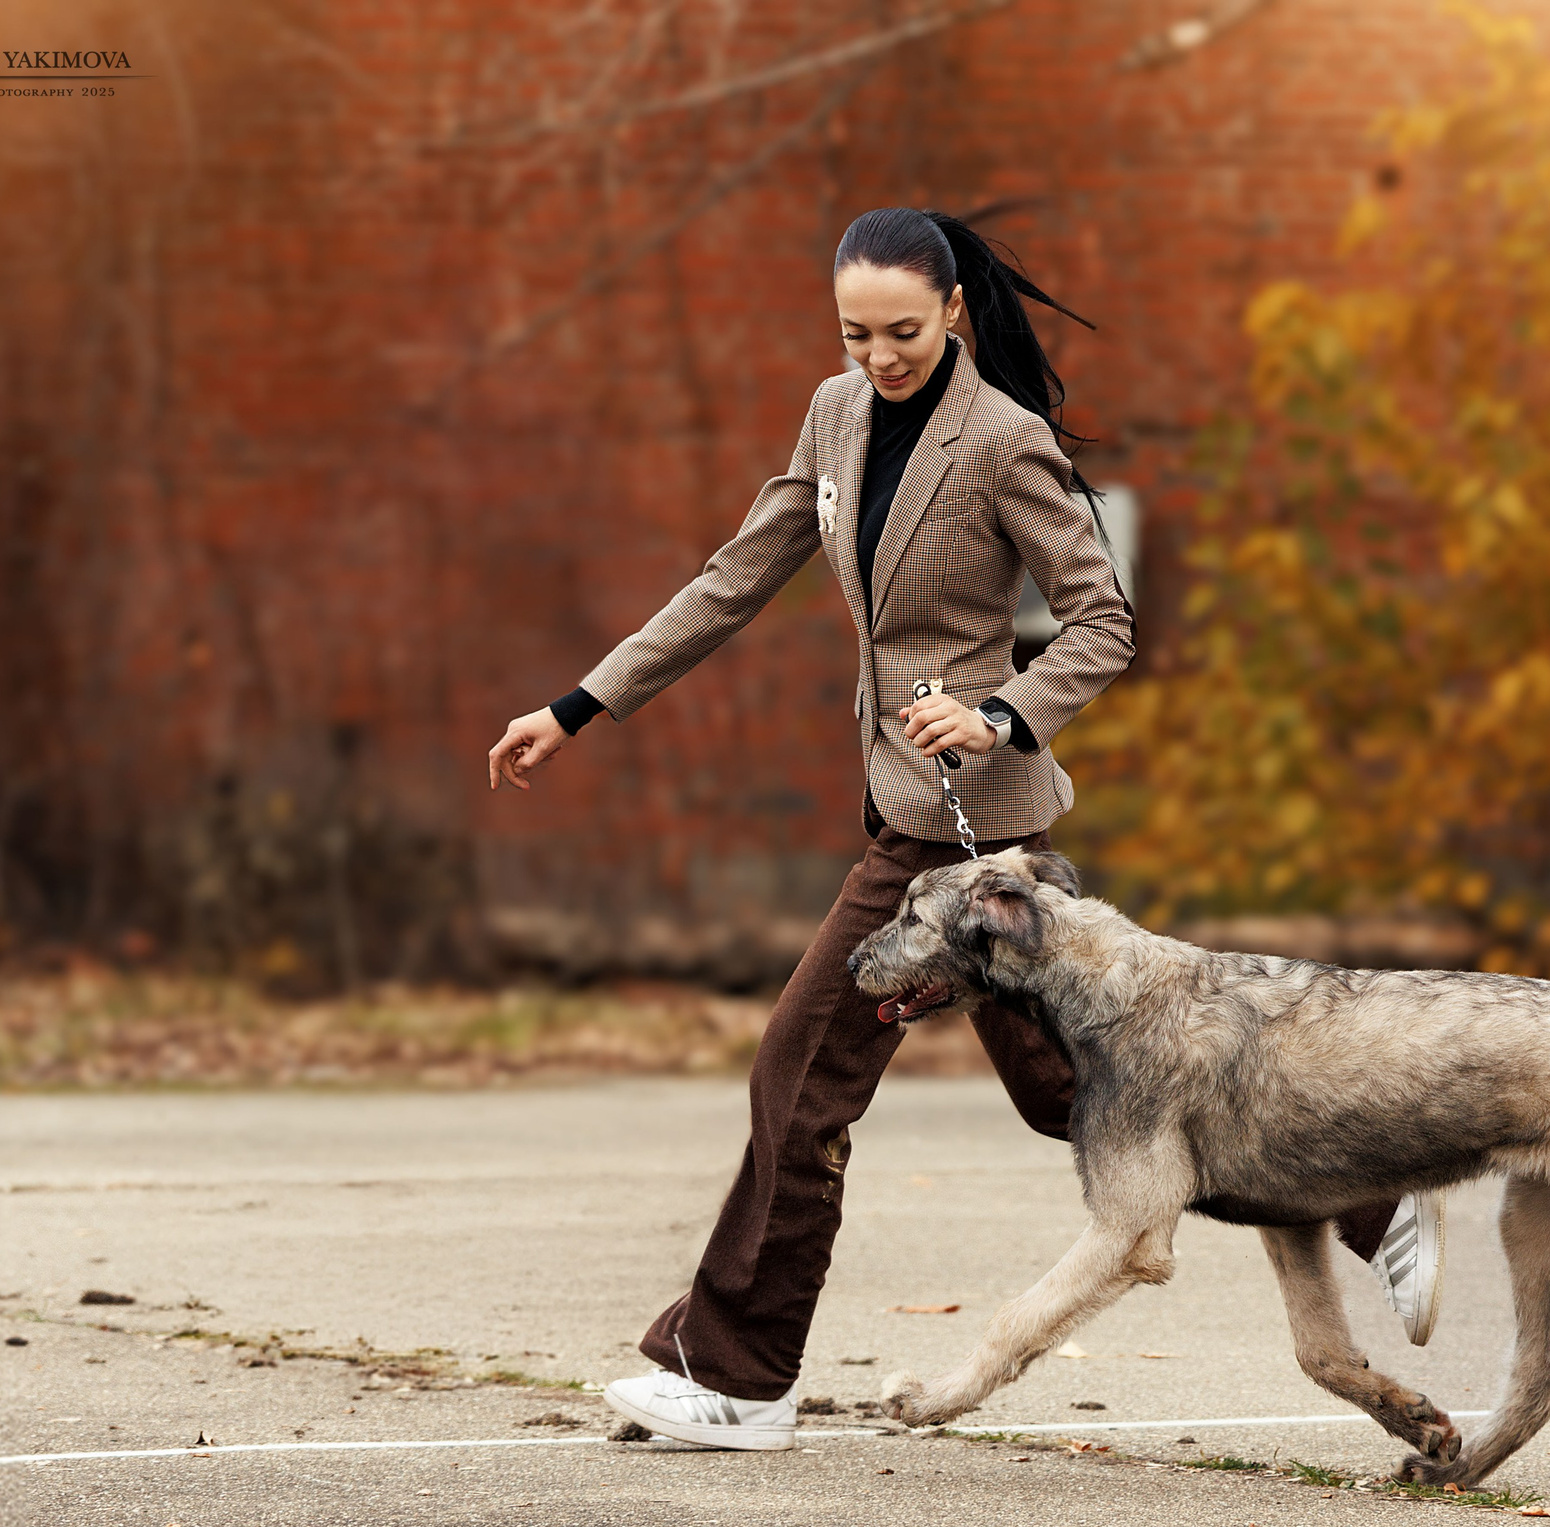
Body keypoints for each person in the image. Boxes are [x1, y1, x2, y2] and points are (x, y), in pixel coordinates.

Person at [486, 207, 1445, 1450]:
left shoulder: (1002, 440)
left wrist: (999, 711)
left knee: (800, 1072)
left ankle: (737, 1374)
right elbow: (736, 574)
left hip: (962, 849)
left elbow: (1104, 621)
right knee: (1075, 1098)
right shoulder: (834, 416)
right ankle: (1369, 1189)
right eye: (853, 333)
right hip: (905, 811)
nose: (878, 356)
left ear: (950, 313)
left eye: (899, 330)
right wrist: (579, 703)